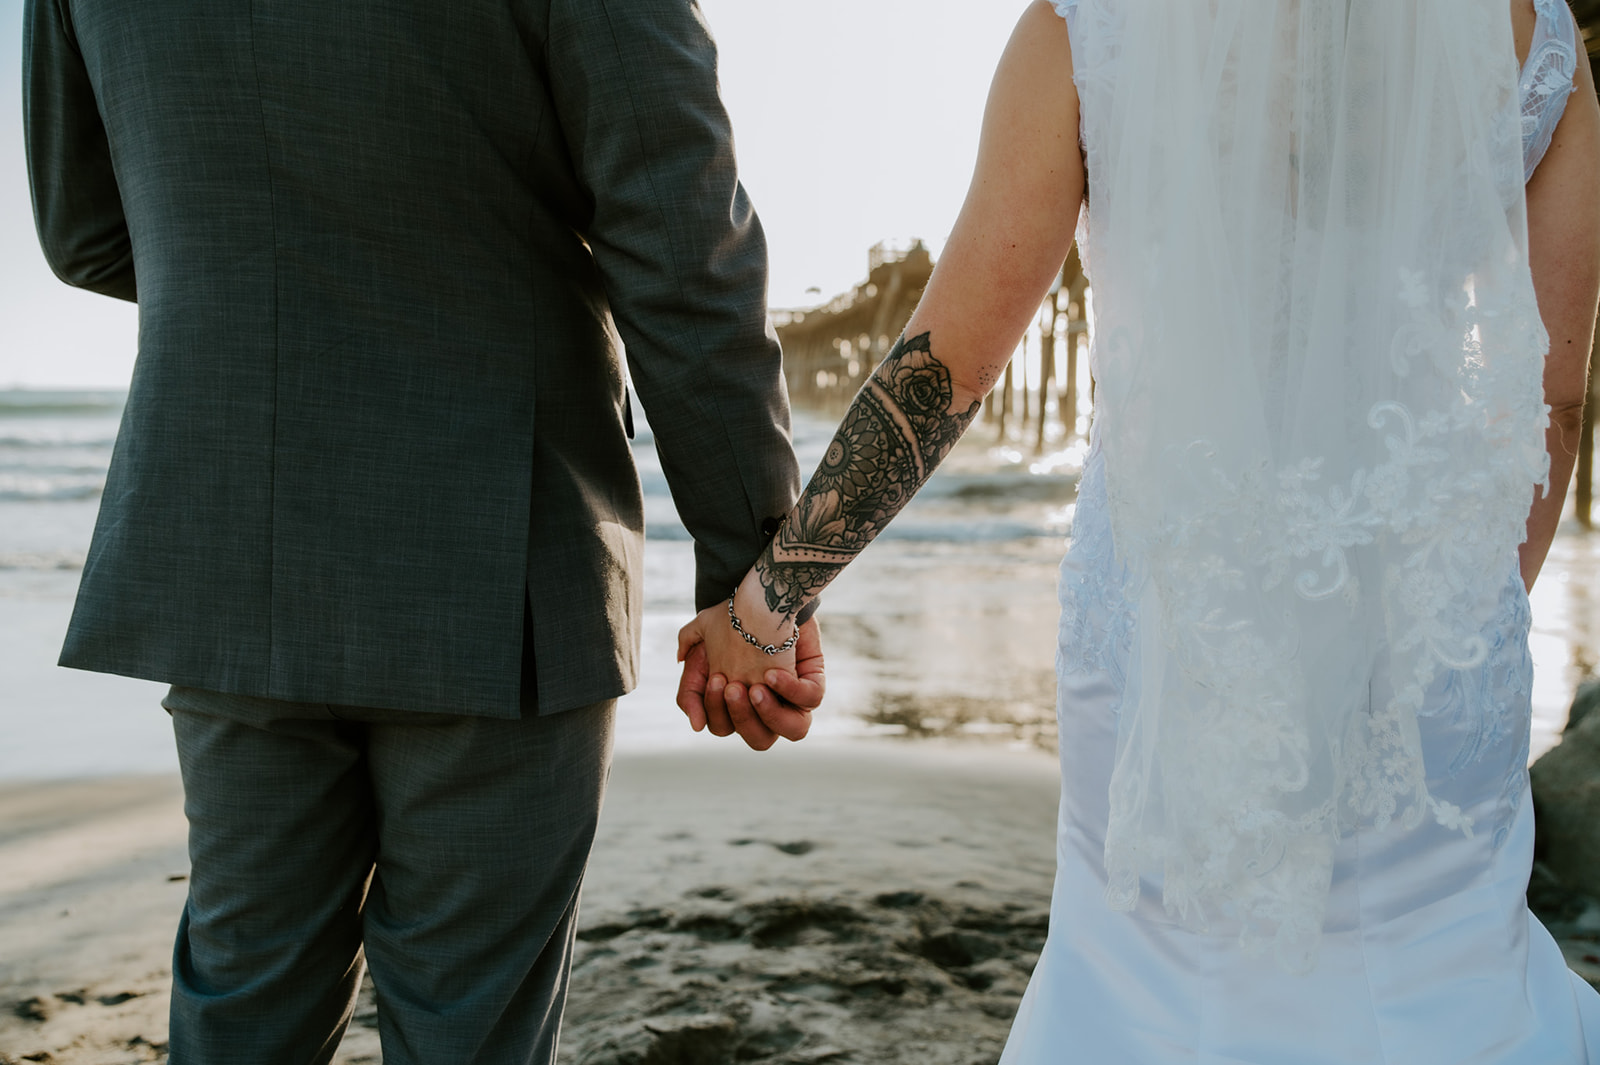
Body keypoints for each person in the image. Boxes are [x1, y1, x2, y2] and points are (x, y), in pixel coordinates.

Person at [679, 0, 1600, 1059]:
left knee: (1159, 987)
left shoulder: (1095, 26)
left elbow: (951, 370)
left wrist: (769, 602)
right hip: (1432, 657)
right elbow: (1548, 412)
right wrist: (1452, 621)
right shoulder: (1534, 39)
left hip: (1181, 637)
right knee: (1440, 968)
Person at [23, 0, 823, 1060]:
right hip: (501, 538)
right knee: (470, 1024)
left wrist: (281, 276)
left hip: (228, 522)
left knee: (244, 994)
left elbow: (87, 234)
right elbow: (680, 243)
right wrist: (754, 577)